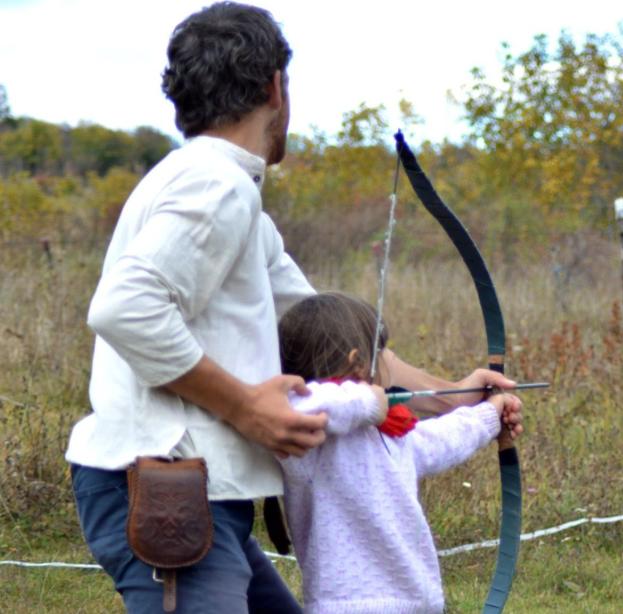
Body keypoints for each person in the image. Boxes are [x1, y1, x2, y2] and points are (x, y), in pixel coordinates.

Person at [64, 3, 517, 612]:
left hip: (196, 491)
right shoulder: (215, 184)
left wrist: (452, 396)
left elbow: (328, 332)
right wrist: (246, 406)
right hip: (163, 488)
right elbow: (123, 310)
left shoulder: (231, 194)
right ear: (276, 86)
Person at [276, 292, 523, 613]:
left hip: (416, 601)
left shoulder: (389, 431)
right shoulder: (304, 436)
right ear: (358, 362)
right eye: (382, 353)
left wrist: (489, 413)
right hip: (344, 605)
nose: (388, 361)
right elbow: (304, 404)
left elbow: (441, 439)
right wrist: (368, 400)